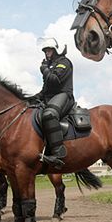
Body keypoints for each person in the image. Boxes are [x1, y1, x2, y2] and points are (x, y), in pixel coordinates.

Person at [34, 37, 75, 168]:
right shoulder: (49, 65)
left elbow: (54, 80)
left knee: (49, 114)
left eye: (49, 50)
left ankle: (58, 154)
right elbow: (46, 88)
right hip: (49, 97)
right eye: (45, 51)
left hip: (64, 95)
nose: (47, 53)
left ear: (55, 50)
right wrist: (32, 98)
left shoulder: (64, 62)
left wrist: (44, 69)